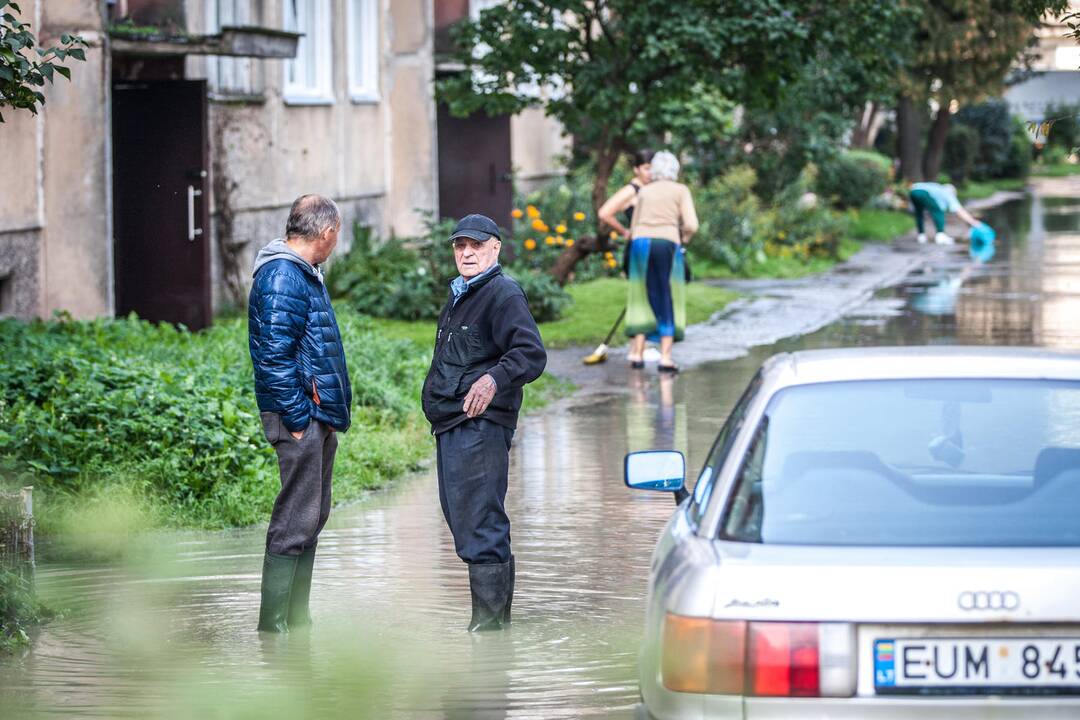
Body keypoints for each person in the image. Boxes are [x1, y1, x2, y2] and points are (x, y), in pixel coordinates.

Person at [422, 214, 547, 632]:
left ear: (495, 248)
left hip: (479, 426)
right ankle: (495, 630)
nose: (467, 252)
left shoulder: (503, 293)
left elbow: (530, 353)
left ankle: (488, 636)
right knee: (466, 520)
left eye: (476, 245)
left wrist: (494, 379)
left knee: (480, 523)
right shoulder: (461, 293)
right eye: (460, 246)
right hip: (452, 424)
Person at [248, 194, 351, 633]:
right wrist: (296, 419)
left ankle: (297, 621)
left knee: (311, 515)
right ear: (326, 234)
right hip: (300, 417)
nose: (336, 242)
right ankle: (273, 629)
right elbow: (272, 357)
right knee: (295, 518)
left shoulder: (304, 274)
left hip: (316, 413)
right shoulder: (281, 276)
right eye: (337, 235)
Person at [624, 150, 698, 372]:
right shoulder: (680, 190)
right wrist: (683, 238)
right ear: (675, 170)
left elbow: (634, 225)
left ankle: (637, 353)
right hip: (665, 243)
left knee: (640, 295)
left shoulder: (645, 191)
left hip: (640, 244)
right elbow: (692, 224)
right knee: (667, 295)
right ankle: (665, 357)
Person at [598, 149, 654, 273]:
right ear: (636, 169)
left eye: (653, 169)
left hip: (654, 247)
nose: (650, 173)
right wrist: (624, 232)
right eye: (647, 168)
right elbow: (604, 213)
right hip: (638, 248)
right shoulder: (631, 190)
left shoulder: (651, 189)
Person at [909, 181, 981, 245]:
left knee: (919, 213)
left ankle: (921, 236)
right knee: (938, 212)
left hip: (913, 191)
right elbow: (959, 210)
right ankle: (940, 235)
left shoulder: (938, 189)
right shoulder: (947, 192)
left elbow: (940, 205)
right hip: (922, 192)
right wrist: (973, 222)